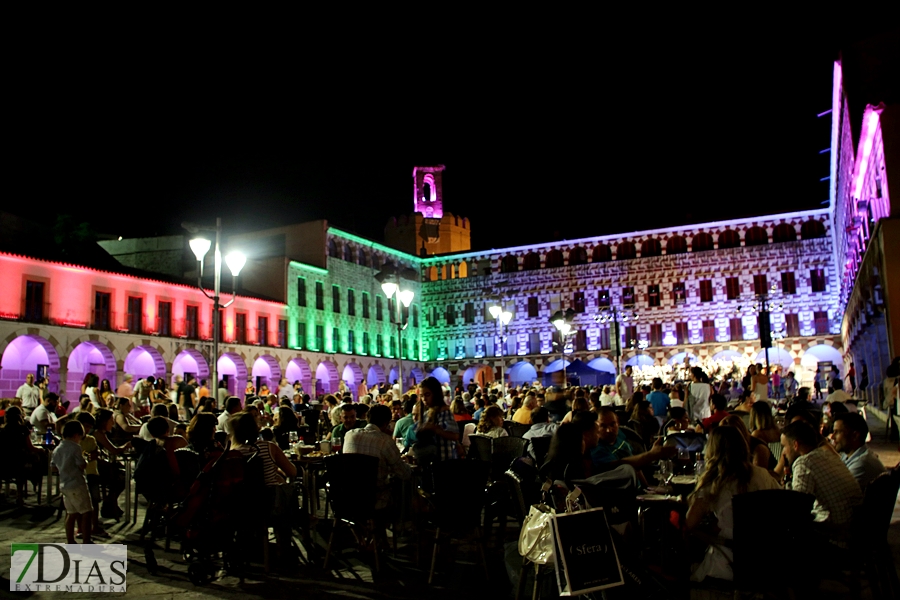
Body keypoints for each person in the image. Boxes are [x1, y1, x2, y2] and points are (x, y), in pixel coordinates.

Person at [686, 426, 781, 582]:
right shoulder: (762, 475)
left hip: (728, 562)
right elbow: (780, 502)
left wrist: (712, 534)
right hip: (765, 560)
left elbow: (690, 524)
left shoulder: (714, 483)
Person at [781, 421, 862, 546]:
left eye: (784, 446)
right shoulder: (828, 455)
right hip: (855, 527)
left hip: (835, 537)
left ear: (795, 445)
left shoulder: (804, 463)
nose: (783, 453)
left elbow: (797, 508)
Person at [344, 404, 412, 510]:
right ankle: (403, 523)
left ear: (367, 418)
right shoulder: (385, 441)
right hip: (376, 498)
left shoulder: (349, 435)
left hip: (348, 495)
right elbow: (404, 473)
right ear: (386, 423)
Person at [585, 407, 676, 473]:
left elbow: (635, 464)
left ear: (618, 423)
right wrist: (651, 455)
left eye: (613, 424)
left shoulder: (620, 433)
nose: (609, 430)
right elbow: (622, 464)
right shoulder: (596, 448)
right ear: (596, 427)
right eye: (603, 426)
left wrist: (646, 487)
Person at [53, 420, 93, 544]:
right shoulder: (75, 447)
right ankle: (86, 540)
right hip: (77, 483)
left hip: (64, 484)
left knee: (71, 513)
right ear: (76, 435)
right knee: (87, 512)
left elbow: (53, 467)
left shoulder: (57, 449)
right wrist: (85, 460)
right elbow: (81, 465)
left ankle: (70, 540)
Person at [0, 406, 46, 506]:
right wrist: (41, 450)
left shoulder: (1, 431)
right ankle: (22, 495)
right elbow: (30, 447)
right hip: (18, 465)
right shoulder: (22, 429)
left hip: (2, 464)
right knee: (36, 460)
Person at [75, 412, 109, 538]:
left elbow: (95, 453)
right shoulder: (73, 441)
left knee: (94, 502)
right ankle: (80, 528)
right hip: (79, 475)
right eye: (85, 426)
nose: (87, 430)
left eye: (89, 427)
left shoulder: (91, 439)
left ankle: (94, 526)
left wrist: (94, 455)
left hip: (92, 473)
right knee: (80, 503)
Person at [831, 413, 885, 492]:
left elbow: (836, 491)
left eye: (838, 432)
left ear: (855, 436)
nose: (832, 436)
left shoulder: (862, 464)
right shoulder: (847, 455)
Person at [413, 376, 459, 461]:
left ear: (436, 393)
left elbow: (455, 435)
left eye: (427, 395)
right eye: (422, 396)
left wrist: (433, 428)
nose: (424, 399)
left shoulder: (444, 411)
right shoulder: (427, 413)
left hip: (445, 460)